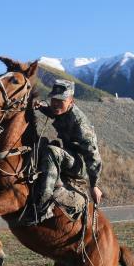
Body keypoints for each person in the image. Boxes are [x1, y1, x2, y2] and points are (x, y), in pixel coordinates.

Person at [18, 79, 103, 226]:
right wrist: (40, 106)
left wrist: (94, 185)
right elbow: (53, 111)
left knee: (52, 151)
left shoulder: (80, 124)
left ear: (71, 101)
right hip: (69, 154)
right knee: (42, 143)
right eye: (54, 99)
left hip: (80, 164)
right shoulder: (60, 109)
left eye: (61, 100)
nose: (56, 103)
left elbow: (93, 155)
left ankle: (42, 207)